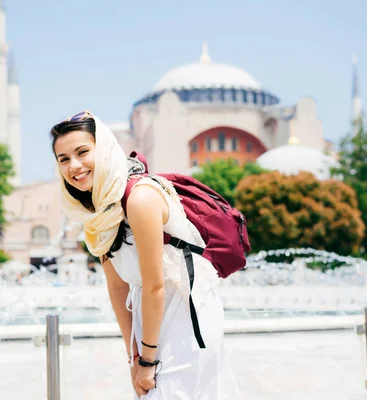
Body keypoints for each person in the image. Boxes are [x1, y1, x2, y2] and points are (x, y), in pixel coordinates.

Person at [51, 110, 240, 399]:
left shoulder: (140, 198)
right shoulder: (99, 210)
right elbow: (116, 285)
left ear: (104, 151)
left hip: (186, 316)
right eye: (63, 159)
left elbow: (155, 286)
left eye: (82, 152)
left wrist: (148, 361)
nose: (74, 166)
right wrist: (134, 355)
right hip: (150, 318)